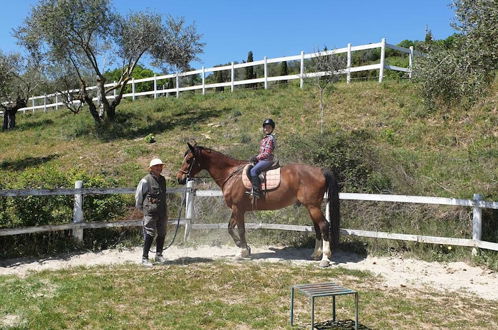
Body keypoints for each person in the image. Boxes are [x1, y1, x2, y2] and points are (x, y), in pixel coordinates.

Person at [135, 158, 168, 266]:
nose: (159, 168)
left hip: (162, 212)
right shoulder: (145, 180)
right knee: (150, 234)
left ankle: (159, 255)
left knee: (162, 233)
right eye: (157, 166)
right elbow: (139, 196)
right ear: (151, 168)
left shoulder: (163, 180)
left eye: (160, 166)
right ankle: (145, 258)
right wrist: (142, 209)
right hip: (150, 212)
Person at [249, 118, 276, 198]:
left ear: (272, 129)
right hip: (263, 159)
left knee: (253, 170)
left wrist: (256, 157)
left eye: (269, 127)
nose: (267, 129)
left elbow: (267, 153)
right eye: (265, 127)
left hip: (267, 160)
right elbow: (262, 152)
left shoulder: (270, 139)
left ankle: (257, 192)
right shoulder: (265, 138)